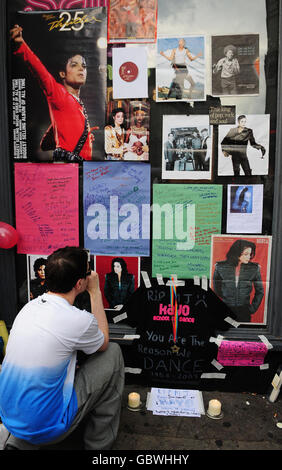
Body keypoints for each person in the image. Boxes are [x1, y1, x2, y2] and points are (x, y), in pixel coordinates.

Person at [0, 246, 124, 450]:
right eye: (87, 272)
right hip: (47, 429)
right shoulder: (77, 320)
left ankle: (19, 442)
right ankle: (99, 447)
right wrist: (95, 291)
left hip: (9, 416)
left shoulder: (28, 308)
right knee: (113, 354)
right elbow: (103, 342)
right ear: (79, 283)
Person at [10, 24, 96, 162]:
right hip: (70, 171)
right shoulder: (60, 95)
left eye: (84, 66)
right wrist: (22, 46)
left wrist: (83, 135)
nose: (81, 69)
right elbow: (41, 73)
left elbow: (45, 145)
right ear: (62, 73)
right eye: (74, 65)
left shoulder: (77, 103)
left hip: (81, 171)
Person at [213, 239, 264, 322]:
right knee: (226, 332)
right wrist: (227, 299)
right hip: (226, 309)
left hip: (244, 311)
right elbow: (217, 288)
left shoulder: (254, 269)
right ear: (236, 253)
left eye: (250, 254)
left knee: (243, 332)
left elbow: (260, 291)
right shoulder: (220, 267)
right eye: (246, 254)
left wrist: (252, 309)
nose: (249, 257)